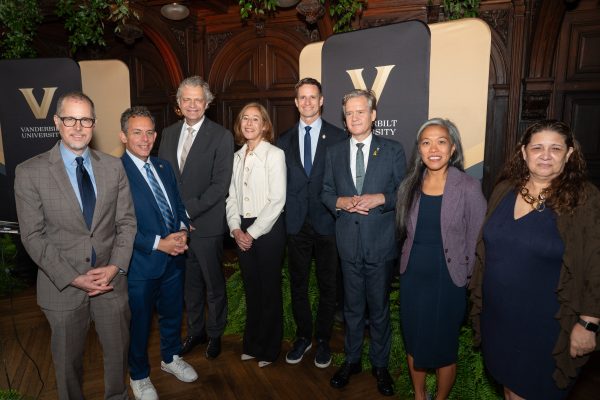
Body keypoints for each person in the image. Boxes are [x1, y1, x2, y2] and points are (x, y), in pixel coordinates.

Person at [14, 91, 137, 400]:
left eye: (86, 120)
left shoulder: (113, 167)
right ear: (57, 122)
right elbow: (32, 236)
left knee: (117, 358)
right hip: (63, 288)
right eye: (70, 119)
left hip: (111, 284)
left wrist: (114, 267)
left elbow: (127, 223)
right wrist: (73, 276)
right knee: (67, 367)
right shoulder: (30, 172)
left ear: (93, 124)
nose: (78, 127)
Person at [470, 120, 600, 400]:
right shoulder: (503, 189)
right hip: (499, 319)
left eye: (555, 148)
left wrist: (589, 323)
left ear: (569, 154)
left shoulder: (584, 198)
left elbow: (596, 263)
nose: (545, 155)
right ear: (523, 152)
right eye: (537, 147)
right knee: (509, 387)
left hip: (544, 325)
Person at [322, 89, 406, 396]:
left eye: (361, 112)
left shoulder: (393, 149)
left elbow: (405, 192)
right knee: (352, 308)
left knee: (379, 309)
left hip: (380, 244)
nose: (355, 117)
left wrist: (380, 199)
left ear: (373, 115)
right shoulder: (333, 152)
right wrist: (342, 201)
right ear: (344, 119)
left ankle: (380, 365)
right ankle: (353, 359)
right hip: (348, 244)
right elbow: (326, 193)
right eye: (349, 113)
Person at [396, 118, 486, 400]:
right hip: (413, 277)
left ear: (453, 148)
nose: (433, 148)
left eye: (441, 141)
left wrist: (468, 279)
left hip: (449, 280)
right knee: (414, 341)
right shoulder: (409, 185)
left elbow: (479, 238)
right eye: (426, 142)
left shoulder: (469, 187)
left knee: (445, 346)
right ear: (420, 150)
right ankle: (419, 396)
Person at [119, 106, 198, 400]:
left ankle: (170, 357)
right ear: (123, 136)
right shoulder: (116, 172)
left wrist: (180, 230)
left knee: (172, 314)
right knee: (139, 323)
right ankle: (139, 375)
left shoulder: (163, 166)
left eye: (149, 132)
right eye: (137, 132)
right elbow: (119, 225)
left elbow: (177, 203)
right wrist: (158, 243)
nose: (145, 138)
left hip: (174, 258)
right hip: (141, 264)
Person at [158, 76, 234, 359]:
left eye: (197, 100)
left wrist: (187, 211)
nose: (192, 105)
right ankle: (196, 331)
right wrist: (174, 216)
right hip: (175, 228)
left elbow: (220, 184)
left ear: (207, 103)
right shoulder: (167, 133)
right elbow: (164, 179)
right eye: (186, 100)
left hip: (205, 224)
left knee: (213, 284)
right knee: (188, 285)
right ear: (179, 104)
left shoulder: (221, 136)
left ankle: (215, 334)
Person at [276, 77, 347, 368]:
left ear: (321, 101)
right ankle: (304, 337)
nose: (307, 102)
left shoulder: (339, 137)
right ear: (296, 103)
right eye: (301, 98)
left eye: (312, 97)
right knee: (298, 285)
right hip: (295, 225)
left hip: (328, 222)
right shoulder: (283, 140)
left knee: (329, 286)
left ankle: (324, 342)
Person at [225, 102, 286, 367]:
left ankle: (270, 349)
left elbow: (277, 200)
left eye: (255, 119)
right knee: (252, 291)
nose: (249, 123)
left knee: (269, 291)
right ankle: (252, 344)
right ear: (240, 125)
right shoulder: (237, 156)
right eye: (245, 118)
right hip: (242, 230)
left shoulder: (274, 154)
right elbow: (232, 198)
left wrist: (251, 232)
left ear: (265, 125)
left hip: (268, 230)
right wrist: (235, 228)